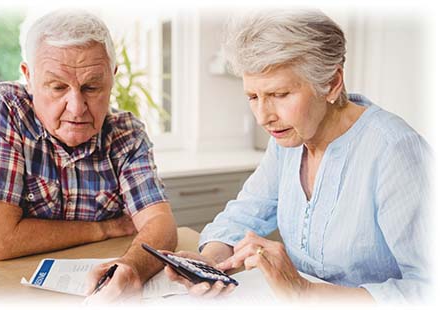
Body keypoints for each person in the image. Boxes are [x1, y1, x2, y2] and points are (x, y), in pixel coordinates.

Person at [165, 9, 431, 303]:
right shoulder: (288, 141)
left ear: (331, 83)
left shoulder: (395, 151)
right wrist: (212, 263)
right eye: (253, 97)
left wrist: (303, 291)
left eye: (280, 95)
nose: (263, 117)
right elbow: (243, 214)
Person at [0, 10, 177, 300]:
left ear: (112, 77)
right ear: (29, 77)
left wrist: (132, 268)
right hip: (1, 290)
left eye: (92, 87)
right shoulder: (1, 109)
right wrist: (104, 228)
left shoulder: (127, 134)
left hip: (95, 291)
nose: (76, 107)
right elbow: (1, 241)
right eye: (58, 87)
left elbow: (161, 225)